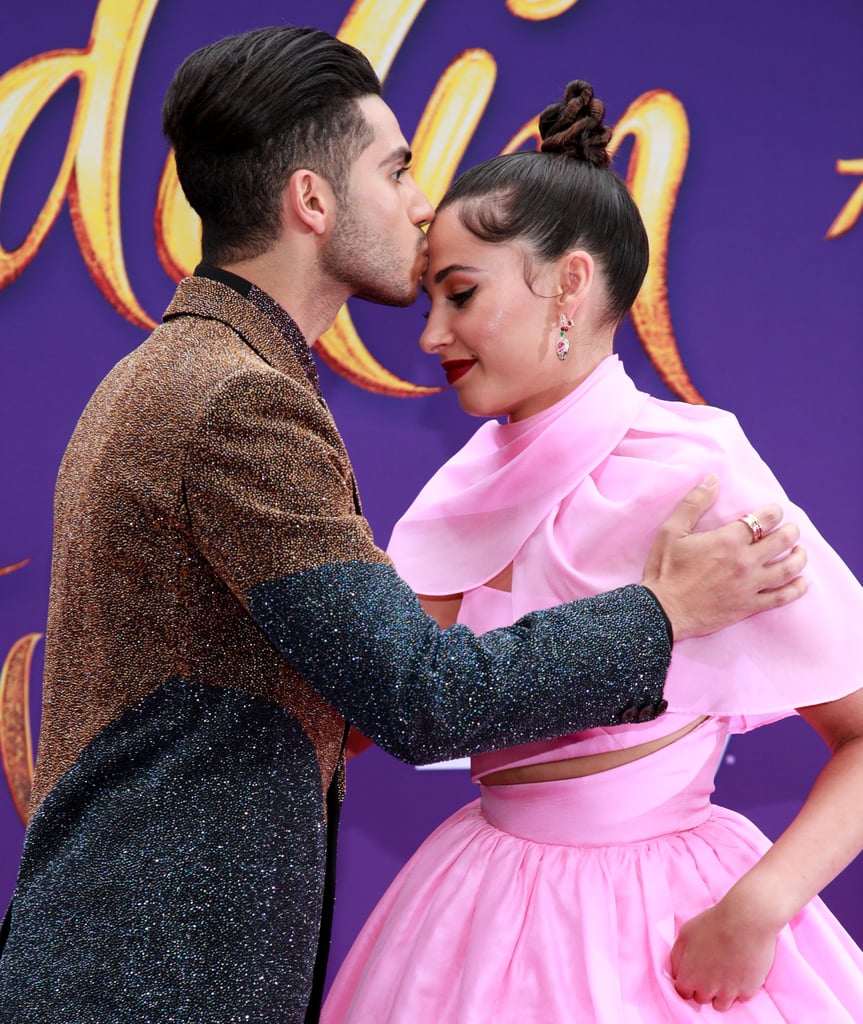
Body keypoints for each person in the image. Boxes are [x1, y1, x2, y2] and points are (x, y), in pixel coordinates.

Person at [0, 29, 805, 1024]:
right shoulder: (235, 401)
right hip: (155, 978)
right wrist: (660, 610)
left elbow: (349, 691)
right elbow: (416, 695)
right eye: (395, 168)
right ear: (310, 201)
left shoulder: (181, 374)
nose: (418, 203)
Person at [321, 81, 863, 1022]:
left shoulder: (698, 471)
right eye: (427, 304)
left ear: (569, 283)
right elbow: (368, 722)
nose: (433, 336)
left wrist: (759, 909)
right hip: (471, 914)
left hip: (666, 928)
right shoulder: (461, 489)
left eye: (459, 295)